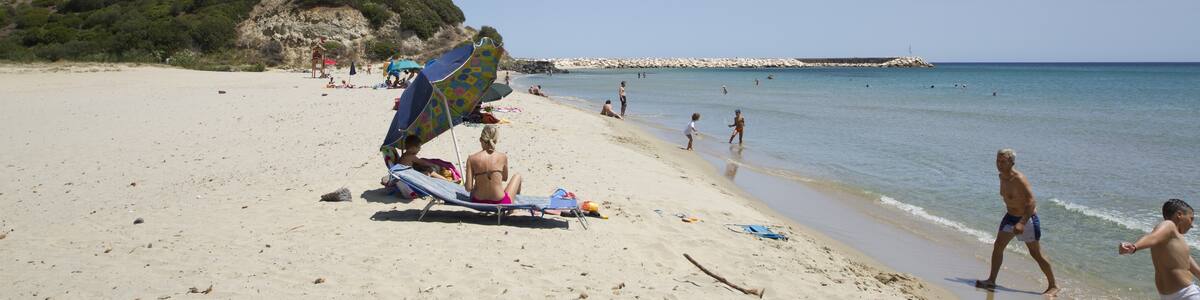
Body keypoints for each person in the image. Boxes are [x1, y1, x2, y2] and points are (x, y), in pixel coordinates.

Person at [975, 148, 1059, 296]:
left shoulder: (1019, 179)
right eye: (997, 160)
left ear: (1012, 162)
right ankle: (991, 280)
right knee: (998, 246)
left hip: (1026, 219)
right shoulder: (1002, 176)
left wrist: (1021, 222)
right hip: (1010, 217)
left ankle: (1053, 285)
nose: (999, 164)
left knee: (1036, 253)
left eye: (1003, 161)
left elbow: (1032, 202)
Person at [1118, 199, 1199, 299]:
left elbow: (1196, 270)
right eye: (1191, 218)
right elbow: (1153, 237)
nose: (1192, 225)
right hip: (1184, 295)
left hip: (1185, 295)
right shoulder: (1169, 225)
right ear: (1179, 214)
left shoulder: (1177, 241)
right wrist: (1135, 247)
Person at [465, 125, 522, 204]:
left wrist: (479, 179)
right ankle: (513, 208)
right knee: (517, 176)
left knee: (477, 185)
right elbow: (504, 178)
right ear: (495, 141)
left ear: (480, 139)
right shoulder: (502, 157)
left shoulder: (471, 158)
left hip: (477, 201)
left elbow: (468, 188)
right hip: (501, 201)